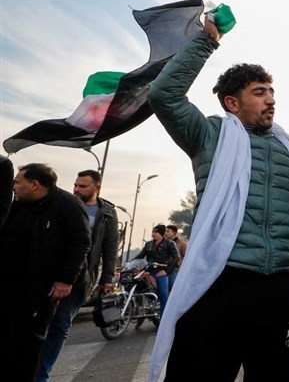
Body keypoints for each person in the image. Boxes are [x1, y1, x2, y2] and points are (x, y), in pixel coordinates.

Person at [145, 13, 289, 382]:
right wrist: (207, 40)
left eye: (271, 92)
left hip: (281, 285)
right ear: (232, 103)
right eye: (259, 92)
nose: (271, 100)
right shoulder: (209, 136)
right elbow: (163, 95)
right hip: (221, 282)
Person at [0, 163, 90, 381]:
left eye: (18, 182)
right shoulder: (19, 204)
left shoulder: (68, 205)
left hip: (47, 286)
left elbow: (81, 244)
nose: (13, 186)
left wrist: (65, 280)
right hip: (17, 282)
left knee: (30, 340)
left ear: (34, 184)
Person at [35, 169, 119, 381]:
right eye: (75, 185)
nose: (77, 189)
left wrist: (107, 279)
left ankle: (42, 375)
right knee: (37, 323)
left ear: (97, 187)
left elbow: (110, 247)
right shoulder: (65, 204)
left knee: (60, 325)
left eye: (83, 186)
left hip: (82, 279)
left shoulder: (107, 213)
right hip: (52, 272)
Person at [135, 224, 178, 315]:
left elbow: (176, 258)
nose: (153, 234)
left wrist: (166, 271)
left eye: (156, 232)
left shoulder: (169, 243)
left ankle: (164, 317)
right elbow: (140, 256)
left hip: (161, 273)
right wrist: (129, 264)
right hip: (148, 272)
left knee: (163, 294)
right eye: (153, 232)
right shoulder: (148, 244)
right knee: (137, 289)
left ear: (161, 233)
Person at [165, 224, 187, 290]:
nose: (165, 233)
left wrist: (178, 264)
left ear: (174, 232)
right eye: (165, 231)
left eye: (168, 231)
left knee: (173, 288)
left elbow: (186, 257)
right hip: (165, 269)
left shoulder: (182, 244)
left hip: (175, 270)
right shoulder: (164, 243)